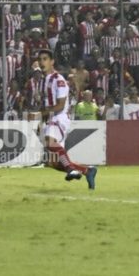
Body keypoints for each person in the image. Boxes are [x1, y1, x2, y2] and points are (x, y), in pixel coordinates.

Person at [37, 49, 97, 189]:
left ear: (52, 62)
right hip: (51, 119)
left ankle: (70, 169)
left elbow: (60, 105)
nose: (41, 62)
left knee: (50, 142)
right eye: (40, 59)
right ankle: (87, 171)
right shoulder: (44, 80)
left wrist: (39, 114)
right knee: (53, 163)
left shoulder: (58, 80)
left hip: (59, 117)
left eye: (45, 59)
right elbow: (47, 104)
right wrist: (41, 119)